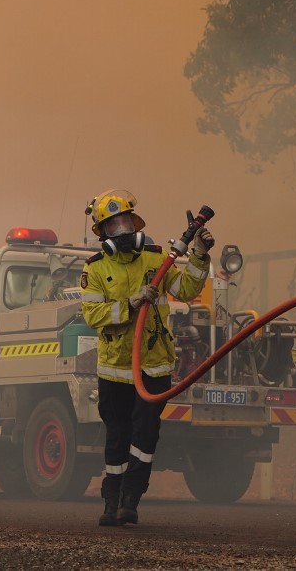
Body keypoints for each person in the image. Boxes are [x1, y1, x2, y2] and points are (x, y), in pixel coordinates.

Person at [79, 189, 214, 527]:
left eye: (125, 221)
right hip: (114, 370)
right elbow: (93, 315)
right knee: (117, 435)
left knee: (145, 434)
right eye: (113, 226)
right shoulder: (95, 268)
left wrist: (198, 255)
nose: (121, 231)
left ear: (134, 222)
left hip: (153, 366)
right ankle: (111, 500)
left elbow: (186, 290)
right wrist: (130, 304)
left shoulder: (155, 258)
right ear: (103, 234)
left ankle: (131, 498)